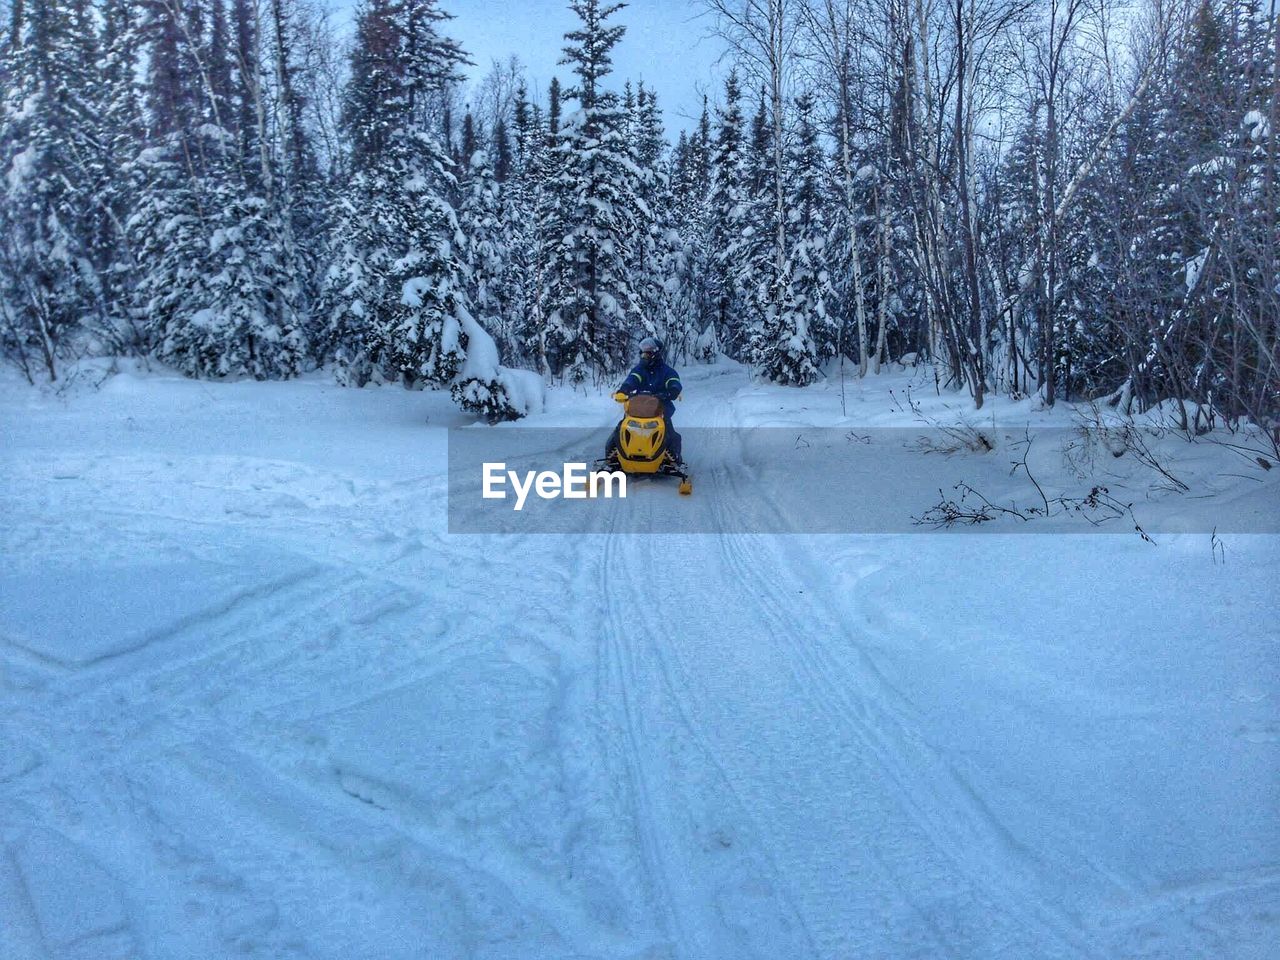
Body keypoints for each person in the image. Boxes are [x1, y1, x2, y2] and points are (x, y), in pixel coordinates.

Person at [606, 336, 683, 464]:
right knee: (620, 429)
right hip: (638, 407)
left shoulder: (667, 371)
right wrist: (624, 390)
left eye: (648, 352)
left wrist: (673, 389)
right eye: (643, 352)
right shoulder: (640, 370)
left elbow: (673, 381)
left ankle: (674, 460)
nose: (644, 355)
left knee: (669, 432)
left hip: (660, 409)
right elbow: (632, 379)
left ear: (655, 353)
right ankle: (612, 457)